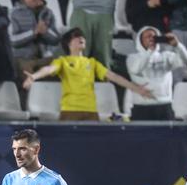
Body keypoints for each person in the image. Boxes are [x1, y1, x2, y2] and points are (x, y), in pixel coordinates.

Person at [23, 27, 152, 120]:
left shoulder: (92, 62)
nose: (81, 38)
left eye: (82, 36)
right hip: (70, 111)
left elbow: (113, 76)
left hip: (91, 111)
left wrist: (136, 88)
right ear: (68, 44)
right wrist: (34, 76)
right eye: (76, 36)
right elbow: (48, 69)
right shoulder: (63, 61)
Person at [126, 27, 187, 120]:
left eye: (154, 36)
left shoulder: (166, 56)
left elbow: (186, 59)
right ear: (140, 41)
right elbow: (136, 69)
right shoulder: (132, 58)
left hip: (164, 105)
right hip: (142, 107)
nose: (151, 38)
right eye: (148, 37)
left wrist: (177, 45)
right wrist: (149, 52)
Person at [10, 0, 61, 93]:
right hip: (23, 58)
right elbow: (12, 40)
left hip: (44, 57)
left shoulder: (48, 12)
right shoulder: (14, 13)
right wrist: (33, 32)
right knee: (27, 73)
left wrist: (45, 32)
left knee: (64, 65)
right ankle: (31, 102)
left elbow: (56, 39)